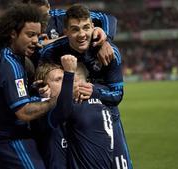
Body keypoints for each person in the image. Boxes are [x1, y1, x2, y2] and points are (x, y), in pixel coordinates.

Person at [39, 4, 133, 169]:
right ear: (65, 32)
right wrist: (42, 90)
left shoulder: (110, 53)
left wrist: (94, 91)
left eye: (86, 28)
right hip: (69, 121)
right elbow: (41, 80)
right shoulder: (51, 52)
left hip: (106, 118)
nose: (82, 34)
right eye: (75, 29)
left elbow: (117, 95)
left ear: (93, 27)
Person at [0, 3, 55, 169]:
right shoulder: (11, 65)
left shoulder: (3, 49)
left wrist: (33, 90)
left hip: (5, 134)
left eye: (37, 35)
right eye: (30, 35)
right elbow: (24, 112)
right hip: (10, 139)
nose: (36, 41)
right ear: (13, 33)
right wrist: (55, 100)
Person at [0, 0, 117, 73]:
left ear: (49, 8)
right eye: (37, 16)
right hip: (37, 78)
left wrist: (105, 40)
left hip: (67, 75)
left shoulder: (61, 16)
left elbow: (108, 18)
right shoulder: (22, 26)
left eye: (44, 15)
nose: (42, 21)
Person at [35, 55, 114, 168]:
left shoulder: (84, 107)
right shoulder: (44, 110)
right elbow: (62, 109)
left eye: (64, 78)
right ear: (44, 87)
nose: (65, 83)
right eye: (58, 80)